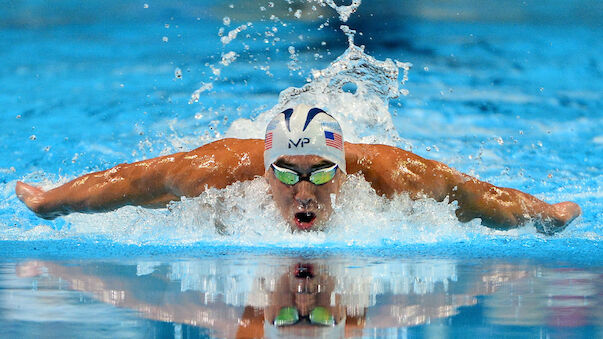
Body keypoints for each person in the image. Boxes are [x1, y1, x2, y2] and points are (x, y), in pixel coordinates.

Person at [15, 104, 581, 234]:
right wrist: (52, 203)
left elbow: (477, 196)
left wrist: (547, 215)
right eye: (286, 172)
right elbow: (127, 182)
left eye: (320, 172)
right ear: (263, 169)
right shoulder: (216, 169)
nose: (304, 189)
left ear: (343, 165)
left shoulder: (388, 174)